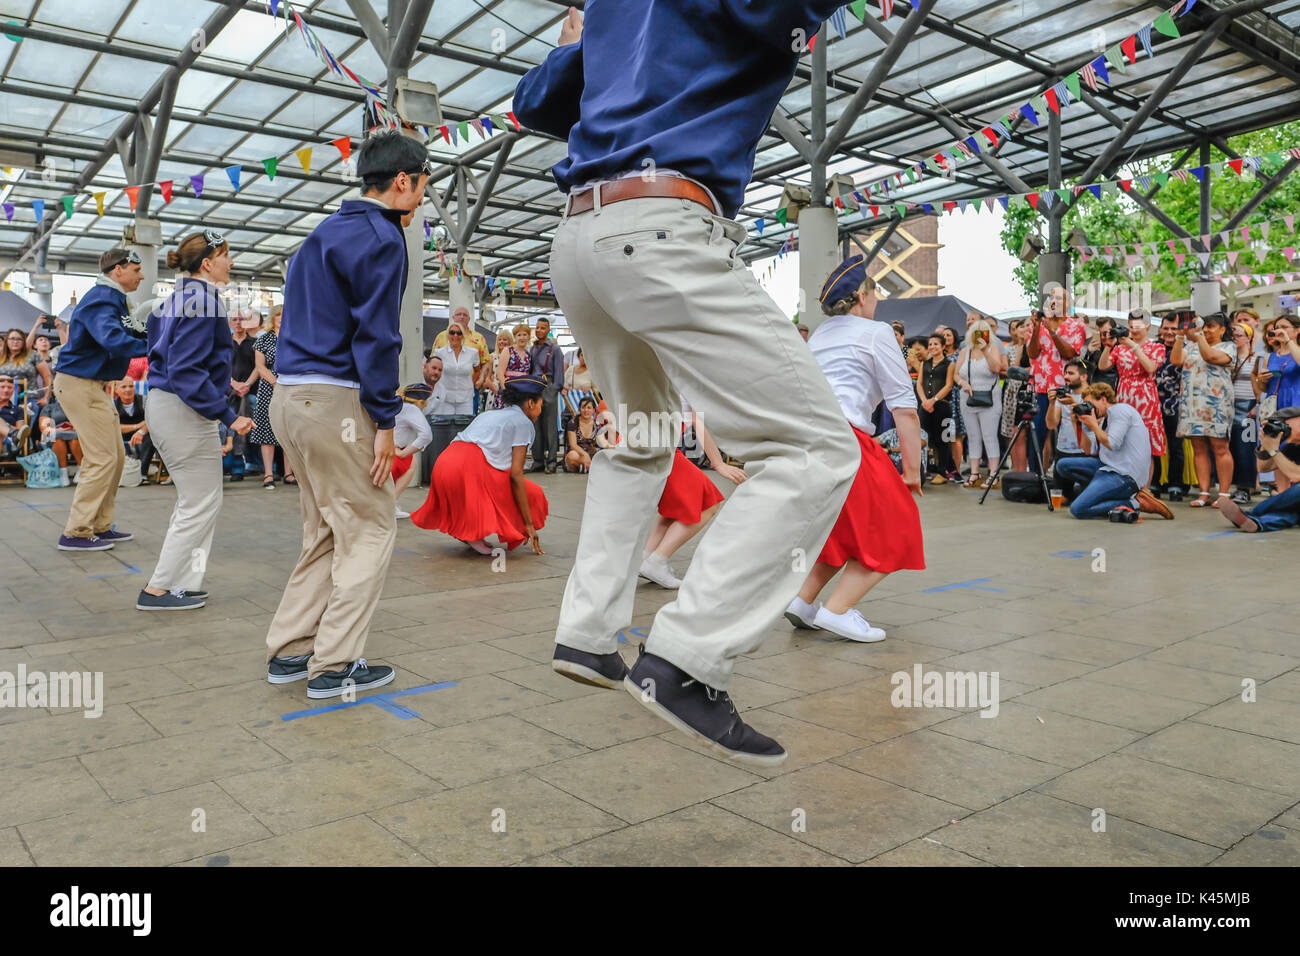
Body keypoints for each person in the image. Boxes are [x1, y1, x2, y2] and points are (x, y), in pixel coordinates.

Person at [518, 2, 859, 766]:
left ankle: (588, 634)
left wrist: (577, 39)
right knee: (812, 448)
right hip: (662, 225)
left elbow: (535, 103)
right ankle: (685, 660)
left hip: (577, 240)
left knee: (638, 440)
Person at [263, 130, 428, 700]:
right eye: (423, 182)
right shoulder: (383, 237)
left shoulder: (324, 231)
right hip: (336, 399)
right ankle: (334, 665)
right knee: (371, 526)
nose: (425, 195)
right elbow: (378, 335)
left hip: (288, 398)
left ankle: (291, 649)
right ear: (403, 182)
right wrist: (386, 418)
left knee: (325, 529)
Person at [785, 262, 924, 641]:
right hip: (848, 440)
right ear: (862, 296)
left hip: (813, 441)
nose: (877, 301)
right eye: (875, 293)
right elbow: (904, 409)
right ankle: (838, 610)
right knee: (900, 526)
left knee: (841, 528)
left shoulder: (821, 335)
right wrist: (912, 471)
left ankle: (804, 600)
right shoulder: (877, 332)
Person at [136, 230, 255, 611]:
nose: (230, 262)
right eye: (225, 255)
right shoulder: (204, 301)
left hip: (170, 403)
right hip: (182, 408)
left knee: (201, 500)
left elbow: (167, 355)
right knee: (200, 501)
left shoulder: (175, 299)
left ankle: (184, 583)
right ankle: (158, 588)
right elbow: (186, 370)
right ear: (208, 263)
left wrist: (220, 387)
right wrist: (227, 415)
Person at [51, 247, 149, 551]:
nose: (141, 275)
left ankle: (99, 524)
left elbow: (123, 337)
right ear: (118, 270)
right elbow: (113, 340)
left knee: (115, 457)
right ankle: (77, 531)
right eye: (136, 269)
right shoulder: (102, 298)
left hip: (92, 385)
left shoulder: (112, 299)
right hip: (80, 384)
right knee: (102, 457)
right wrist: (158, 347)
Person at [411, 375, 549, 554]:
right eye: (540, 405)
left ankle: (471, 532)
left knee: (517, 487)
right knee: (532, 493)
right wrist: (528, 524)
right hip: (467, 469)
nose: (540, 410)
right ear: (530, 403)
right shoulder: (523, 422)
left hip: (443, 464)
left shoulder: (491, 414)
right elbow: (516, 475)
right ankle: (472, 532)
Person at [638, 396, 746, 589]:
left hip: (645, 441)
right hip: (661, 447)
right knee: (709, 501)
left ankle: (647, 557)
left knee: (675, 507)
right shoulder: (689, 370)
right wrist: (718, 463)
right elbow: (697, 419)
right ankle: (657, 561)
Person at [1055, 384, 1167, 519]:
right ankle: (1100, 494)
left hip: (1124, 475)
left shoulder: (1120, 410)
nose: (1089, 408)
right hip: (1108, 468)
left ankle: (1136, 503)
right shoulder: (1106, 417)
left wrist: (1094, 426)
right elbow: (1089, 450)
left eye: (1090, 404)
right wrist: (1077, 424)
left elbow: (1112, 444)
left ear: (1103, 399)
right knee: (1063, 465)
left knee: (1078, 509)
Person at [1172, 312, 1234, 508]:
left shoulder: (1228, 347)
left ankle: (1224, 494)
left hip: (1217, 404)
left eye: (1211, 326)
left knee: (1220, 448)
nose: (1206, 329)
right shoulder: (1191, 346)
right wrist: (1181, 336)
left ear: (1223, 330)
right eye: (1204, 326)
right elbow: (1175, 360)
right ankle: (1204, 493)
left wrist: (1197, 335)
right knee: (1198, 449)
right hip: (1192, 404)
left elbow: (1209, 356)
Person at [1099, 309, 1165, 490]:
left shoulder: (1156, 347)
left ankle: (1145, 490)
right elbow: (1103, 366)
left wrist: (1132, 345)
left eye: (1137, 327)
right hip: (1124, 396)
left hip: (1146, 397)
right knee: (1124, 442)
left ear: (1148, 326)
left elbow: (1150, 367)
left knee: (1147, 446)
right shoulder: (1119, 348)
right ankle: (1126, 487)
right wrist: (1108, 345)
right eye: (1130, 327)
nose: (1133, 330)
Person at [1026, 293, 1086, 470]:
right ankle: (1036, 477)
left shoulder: (1076, 325)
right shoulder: (1038, 325)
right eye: (1051, 298)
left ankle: (1064, 477)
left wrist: (1052, 332)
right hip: (1043, 387)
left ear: (1068, 304)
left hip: (1066, 388)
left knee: (1066, 434)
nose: (1054, 301)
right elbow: (1032, 353)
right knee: (1038, 433)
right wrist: (1037, 328)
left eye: (1059, 298)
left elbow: (1069, 353)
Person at [1220, 407, 1300, 532]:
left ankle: (1252, 513)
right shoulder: (1293, 446)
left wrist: (1274, 451)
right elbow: (1262, 468)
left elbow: (1296, 475)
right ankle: (1256, 523)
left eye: (1288, 425)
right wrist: (1266, 445)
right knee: (1293, 514)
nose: (1285, 430)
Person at [952, 318, 1006, 488]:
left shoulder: (993, 349)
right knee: (973, 436)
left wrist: (985, 350)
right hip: (967, 397)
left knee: (989, 436)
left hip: (989, 398)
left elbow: (997, 369)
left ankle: (993, 473)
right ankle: (974, 473)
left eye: (984, 332)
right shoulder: (964, 352)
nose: (980, 336)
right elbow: (955, 374)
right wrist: (963, 384)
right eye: (977, 332)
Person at [248, 306, 295, 489]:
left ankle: (289, 473)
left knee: (289, 431)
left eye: (285, 315)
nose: (282, 318)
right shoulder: (264, 339)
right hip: (270, 388)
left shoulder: (294, 338)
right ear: (273, 318)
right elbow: (259, 366)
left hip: (291, 387)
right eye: (279, 315)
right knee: (267, 431)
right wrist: (276, 383)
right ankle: (268, 474)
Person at [1254, 315, 1300, 493]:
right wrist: (1260, 379)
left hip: (1296, 405)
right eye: (1276, 327)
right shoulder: (1269, 357)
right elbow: (1263, 387)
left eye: (1284, 327)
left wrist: (1289, 341)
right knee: (1278, 448)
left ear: (1297, 330)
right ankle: (1282, 493)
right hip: (1276, 405)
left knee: (1294, 447)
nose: (1278, 330)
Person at [1045, 361, 1094, 504]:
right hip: (1063, 451)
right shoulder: (1063, 395)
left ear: (1084, 377)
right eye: (1065, 373)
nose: (1066, 377)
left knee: (1084, 499)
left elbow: (1094, 423)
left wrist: (1074, 404)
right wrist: (1052, 403)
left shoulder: (1092, 396)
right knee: (1061, 500)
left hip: (1084, 452)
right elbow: (1051, 424)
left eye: (1071, 373)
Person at [1153, 313, 1187, 500]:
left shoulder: (1187, 348)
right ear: (1160, 329)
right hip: (1152, 403)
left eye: (1174, 329)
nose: (1169, 332)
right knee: (1153, 445)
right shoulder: (1151, 347)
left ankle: (1176, 485)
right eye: (1166, 328)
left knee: (1176, 447)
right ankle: (1154, 483)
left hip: (1177, 404)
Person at [915, 333, 956, 483]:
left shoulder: (949, 364)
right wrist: (925, 401)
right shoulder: (924, 364)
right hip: (925, 406)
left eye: (936, 344)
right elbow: (919, 383)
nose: (932, 347)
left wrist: (934, 400)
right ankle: (924, 469)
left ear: (943, 347)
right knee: (923, 437)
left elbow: (949, 385)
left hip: (942, 406)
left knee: (943, 439)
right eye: (930, 344)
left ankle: (943, 472)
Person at [226, 310, 259, 482]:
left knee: (255, 429)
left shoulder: (255, 343)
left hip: (252, 392)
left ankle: (256, 464)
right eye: (234, 320)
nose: (238, 323)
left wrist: (246, 384)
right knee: (232, 429)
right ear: (230, 323)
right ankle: (236, 468)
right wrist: (234, 384)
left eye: (241, 319)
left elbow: (258, 367)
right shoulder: (223, 343)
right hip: (230, 393)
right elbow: (220, 367)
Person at [1227, 322, 1258, 505]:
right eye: (1232, 336)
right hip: (1228, 406)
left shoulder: (1258, 359)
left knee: (1247, 448)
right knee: (1232, 449)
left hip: (1248, 407)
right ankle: (1234, 487)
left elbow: (1263, 386)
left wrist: (1257, 406)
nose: (1234, 339)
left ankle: (1245, 488)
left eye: (1238, 335)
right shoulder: (1227, 357)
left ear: (1248, 337)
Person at [392, 383, 433, 519]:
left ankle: (388, 504)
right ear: (421, 402)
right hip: (393, 457)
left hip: (379, 453)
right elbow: (426, 435)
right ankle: (390, 505)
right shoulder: (411, 409)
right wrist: (404, 453)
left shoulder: (395, 405)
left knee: (411, 461)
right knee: (411, 461)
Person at [528, 317, 563, 473]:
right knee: (535, 426)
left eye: (543, 328)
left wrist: (554, 389)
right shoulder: (532, 349)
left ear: (548, 330)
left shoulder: (555, 349)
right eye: (537, 327)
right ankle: (538, 460)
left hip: (548, 387)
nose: (539, 330)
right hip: (534, 388)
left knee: (550, 427)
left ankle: (551, 461)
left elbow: (559, 375)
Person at [1001, 317, 1032, 472]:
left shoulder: (1034, 346)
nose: (1023, 329)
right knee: (1013, 433)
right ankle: (1016, 470)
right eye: (1021, 327)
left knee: (1022, 433)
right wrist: (1021, 345)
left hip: (1028, 391)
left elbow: (1029, 369)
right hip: (1012, 392)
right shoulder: (1014, 347)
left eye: (1026, 326)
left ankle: (1023, 470)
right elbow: (1015, 370)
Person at [113, 378, 157, 487]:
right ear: (116, 390)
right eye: (124, 387)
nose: (128, 389)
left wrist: (141, 431)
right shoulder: (112, 404)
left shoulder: (144, 400)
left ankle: (142, 474)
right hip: (119, 437)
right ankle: (118, 474)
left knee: (152, 435)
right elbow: (113, 426)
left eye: (131, 386)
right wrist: (137, 426)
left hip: (143, 437)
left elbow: (153, 419)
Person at [1, 327, 53, 410]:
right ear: (7, 341)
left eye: (19, 339)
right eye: (12, 339)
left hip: (28, 399)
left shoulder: (33, 355)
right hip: (2, 399)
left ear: (24, 342)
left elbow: (47, 376)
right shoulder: (1, 356)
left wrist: (46, 397)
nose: (15, 342)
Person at [418, 352, 446, 488]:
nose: (436, 372)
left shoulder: (442, 390)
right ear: (425, 367)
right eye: (434, 368)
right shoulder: (415, 383)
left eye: (440, 370)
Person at [494, 323, 534, 410]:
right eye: (519, 335)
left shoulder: (528, 354)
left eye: (524, 335)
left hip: (523, 392)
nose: (522, 337)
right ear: (515, 337)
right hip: (509, 390)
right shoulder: (508, 350)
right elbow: (500, 373)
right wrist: (505, 391)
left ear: (528, 337)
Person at [1081, 316, 1120, 393]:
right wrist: (1088, 354)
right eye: (1100, 334)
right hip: (1093, 392)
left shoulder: (1121, 350)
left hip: (1110, 394)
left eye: (1105, 333)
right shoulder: (1096, 348)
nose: (1102, 337)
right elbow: (1083, 371)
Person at [564, 395, 602, 473]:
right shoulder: (573, 423)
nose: (586, 410)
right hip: (578, 454)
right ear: (579, 409)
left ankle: (584, 467)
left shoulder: (597, 424)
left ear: (594, 410)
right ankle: (590, 467)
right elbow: (573, 445)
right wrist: (585, 455)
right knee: (572, 455)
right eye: (583, 407)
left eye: (589, 408)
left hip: (590, 454)